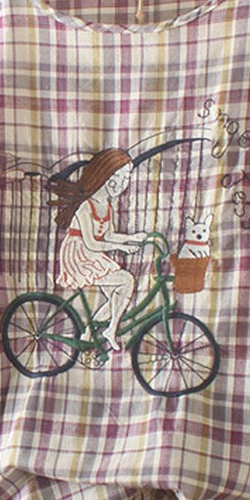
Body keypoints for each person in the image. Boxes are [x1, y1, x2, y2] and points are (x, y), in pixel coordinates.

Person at [49, 147, 147, 351]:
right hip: (79, 256)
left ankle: (88, 333)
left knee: (117, 298)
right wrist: (121, 248)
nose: (123, 183)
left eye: (126, 178)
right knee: (126, 280)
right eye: (119, 177)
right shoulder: (86, 206)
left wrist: (131, 238)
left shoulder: (106, 205)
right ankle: (110, 330)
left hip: (93, 255)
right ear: (105, 175)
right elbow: (91, 243)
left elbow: (109, 235)